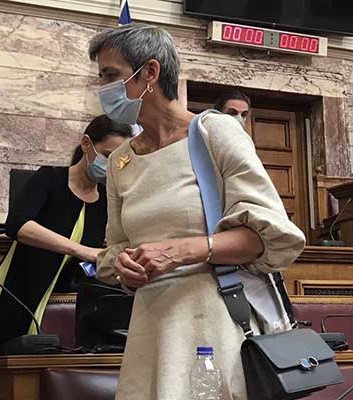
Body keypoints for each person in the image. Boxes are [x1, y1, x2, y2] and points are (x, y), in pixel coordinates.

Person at [89, 24, 305, 400]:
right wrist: (124, 266)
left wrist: (180, 251)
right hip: (150, 328)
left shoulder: (214, 132)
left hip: (214, 323)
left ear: (150, 72)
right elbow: (114, 251)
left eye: (110, 75)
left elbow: (269, 236)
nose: (103, 88)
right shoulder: (120, 160)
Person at [0, 115, 132, 357]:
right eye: (108, 156)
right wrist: (81, 250)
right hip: (21, 291)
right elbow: (18, 225)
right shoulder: (50, 178)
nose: (112, 166)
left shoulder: (105, 200)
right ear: (87, 144)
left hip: (67, 302)